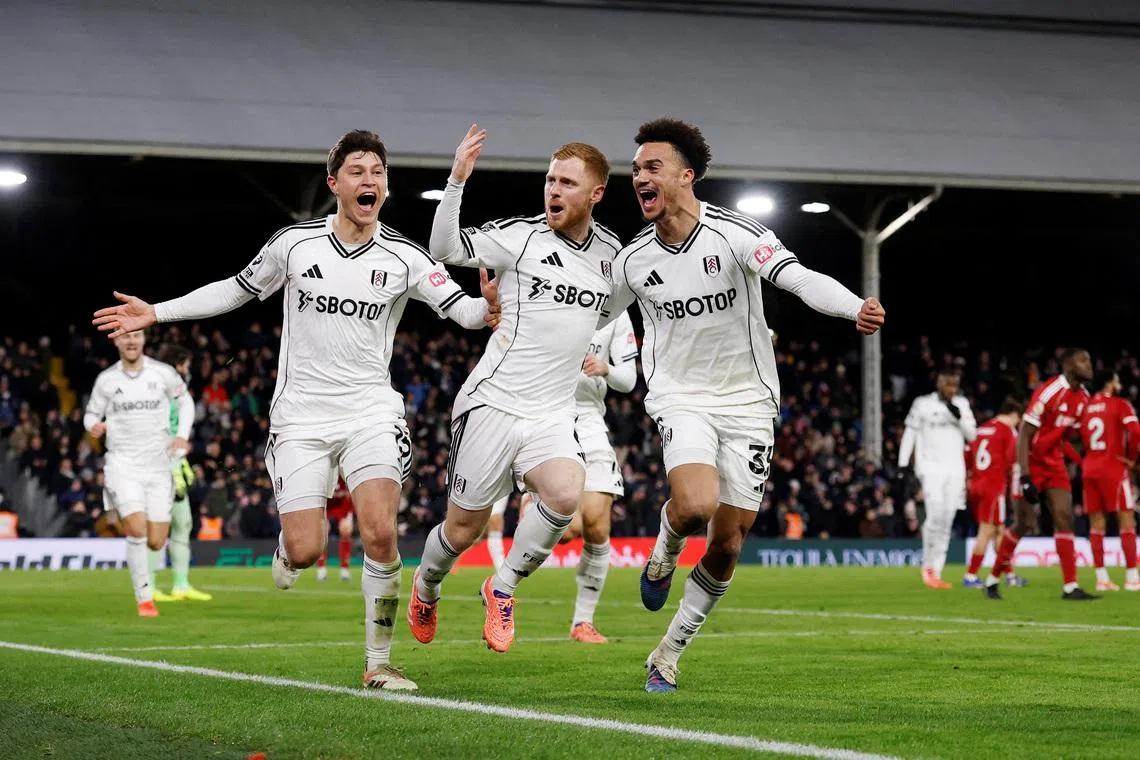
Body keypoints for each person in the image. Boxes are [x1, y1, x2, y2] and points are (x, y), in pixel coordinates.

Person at [93, 129, 500, 690]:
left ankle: (378, 663)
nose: (370, 180)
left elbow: (464, 313)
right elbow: (234, 290)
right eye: (357, 171)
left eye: (377, 172)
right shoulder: (294, 245)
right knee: (308, 549)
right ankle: (290, 551)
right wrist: (157, 313)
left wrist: (492, 308)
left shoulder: (406, 257)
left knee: (380, 532)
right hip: (300, 421)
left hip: (369, 414)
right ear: (334, 184)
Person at [601, 118, 884, 692]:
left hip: (749, 402)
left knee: (728, 543)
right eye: (635, 170)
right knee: (695, 505)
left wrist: (854, 305)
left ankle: (668, 653)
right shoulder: (632, 260)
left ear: (686, 175)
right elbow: (590, 313)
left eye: (651, 168)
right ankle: (663, 550)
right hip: (681, 397)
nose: (638, 178)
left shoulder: (734, 235)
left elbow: (797, 278)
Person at [408, 126, 619, 655]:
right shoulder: (521, 237)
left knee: (567, 494)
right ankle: (426, 586)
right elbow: (445, 248)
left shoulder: (613, 256)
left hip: (551, 412)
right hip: (493, 404)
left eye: (568, 183)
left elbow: (609, 311)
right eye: (550, 179)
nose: (553, 190)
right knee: (463, 531)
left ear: (595, 194)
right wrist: (457, 180)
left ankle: (501, 587)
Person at [83, 330, 194, 617]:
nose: (131, 341)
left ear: (144, 339)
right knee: (136, 530)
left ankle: (125, 515)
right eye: (125, 337)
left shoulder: (163, 373)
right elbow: (91, 413)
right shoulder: (107, 380)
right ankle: (144, 598)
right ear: (117, 342)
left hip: (158, 466)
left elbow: (186, 403)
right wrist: (93, 425)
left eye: (136, 336)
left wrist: (182, 435)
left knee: (157, 540)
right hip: (122, 464)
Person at [986, 348, 1097, 600]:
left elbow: (1070, 438)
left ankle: (1070, 586)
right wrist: (1025, 477)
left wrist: (1082, 460)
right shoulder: (1049, 392)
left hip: (1054, 463)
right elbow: (1024, 434)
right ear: (1068, 365)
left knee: (1064, 516)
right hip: (1030, 462)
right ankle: (992, 579)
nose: (1089, 365)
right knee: (1023, 523)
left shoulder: (1084, 398)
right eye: (1083, 360)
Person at [557, 312, 639, 643]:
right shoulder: (556, 293)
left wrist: (605, 368)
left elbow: (628, 380)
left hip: (590, 421)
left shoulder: (618, 315)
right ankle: (501, 590)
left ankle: (583, 622)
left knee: (596, 526)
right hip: (550, 415)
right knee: (567, 531)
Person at [898, 369, 977, 589]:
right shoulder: (922, 404)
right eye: (948, 385)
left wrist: (959, 418)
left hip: (955, 470)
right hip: (930, 468)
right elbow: (910, 433)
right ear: (939, 385)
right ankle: (928, 566)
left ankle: (937, 571)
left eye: (954, 386)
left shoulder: (961, 405)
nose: (951, 390)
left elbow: (973, 436)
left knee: (948, 519)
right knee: (935, 515)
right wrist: (903, 464)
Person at [148, 343, 212, 602]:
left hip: (176, 465)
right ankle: (148, 587)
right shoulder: (154, 392)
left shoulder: (179, 395)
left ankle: (181, 585)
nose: (187, 370)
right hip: (158, 465)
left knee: (183, 523)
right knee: (157, 527)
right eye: (185, 364)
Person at [1079, 370, 1140, 591]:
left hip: (1090, 469)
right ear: (1109, 384)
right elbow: (1135, 430)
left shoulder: (1085, 408)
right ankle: (1132, 578)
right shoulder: (1120, 404)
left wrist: (1083, 460)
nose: (1119, 383)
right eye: (1116, 380)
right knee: (1127, 521)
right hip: (1113, 468)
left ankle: (1101, 578)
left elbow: (1073, 438)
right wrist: (1131, 459)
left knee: (1097, 525)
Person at [963, 399, 1021, 587]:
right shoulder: (1007, 431)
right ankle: (971, 575)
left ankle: (1010, 576)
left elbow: (967, 455)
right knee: (986, 531)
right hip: (994, 487)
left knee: (998, 531)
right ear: (1013, 415)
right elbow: (1013, 462)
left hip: (977, 485)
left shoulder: (981, 430)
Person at [317, 478, 354, 582]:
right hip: (326, 503)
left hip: (343, 504)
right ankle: (321, 569)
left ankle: (345, 569)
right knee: (323, 531)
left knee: (346, 530)